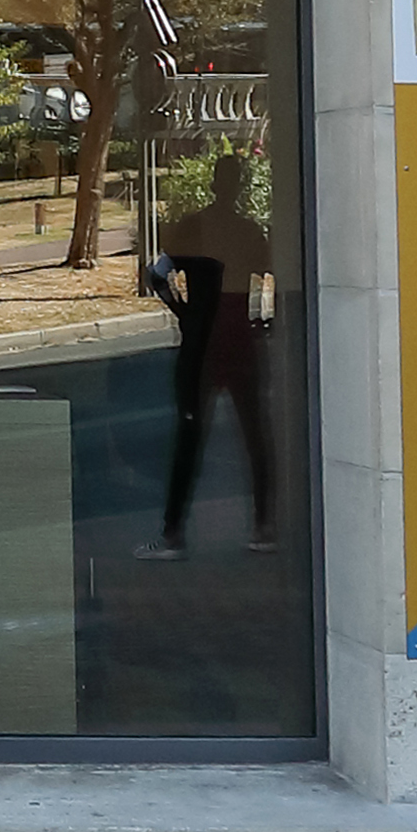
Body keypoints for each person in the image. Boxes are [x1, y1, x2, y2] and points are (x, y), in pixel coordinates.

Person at [158, 154, 277, 550]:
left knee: (189, 437)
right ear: (240, 186)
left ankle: (174, 532)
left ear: (212, 184)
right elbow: (275, 275)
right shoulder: (249, 232)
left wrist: (182, 311)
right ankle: (263, 527)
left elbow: (157, 273)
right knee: (255, 438)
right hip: (238, 338)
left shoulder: (192, 227)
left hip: (201, 341)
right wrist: (266, 321)